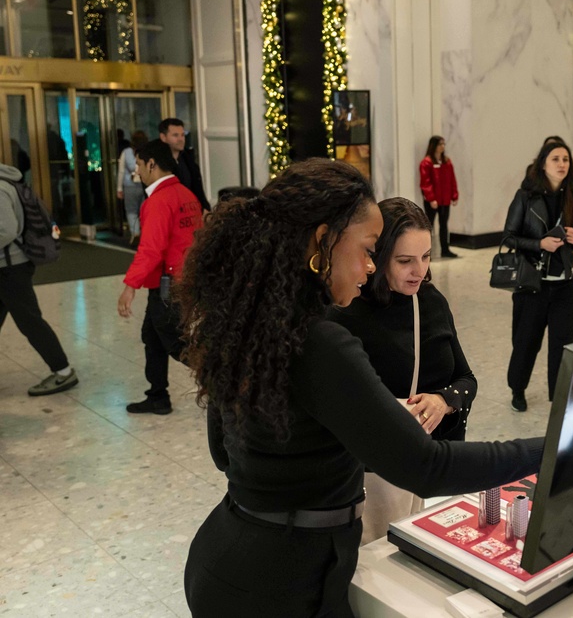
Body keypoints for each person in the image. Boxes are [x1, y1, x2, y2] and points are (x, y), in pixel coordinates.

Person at [178, 159, 541, 617]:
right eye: (369, 249)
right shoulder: (320, 342)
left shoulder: (259, 323)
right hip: (278, 581)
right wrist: (551, 448)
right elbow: (426, 465)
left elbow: (222, 453)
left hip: (233, 551)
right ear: (322, 240)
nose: (371, 266)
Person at [331, 197, 476, 544]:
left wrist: (443, 401)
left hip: (420, 466)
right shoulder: (346, 311)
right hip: (368, 476)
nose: (420, 271)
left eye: (426, 257)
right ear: (377, 258)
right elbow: (337, 403)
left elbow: (466, 379)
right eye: (405, 260)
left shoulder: (430, 302)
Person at [117, 140, 203, 415]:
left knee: (177, 343)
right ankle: (157, 396)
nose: (137, 172)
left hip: (169, 285)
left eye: (140, 165)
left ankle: (231, 383)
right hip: (180, 281)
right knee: (152, 337)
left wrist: (130, 286)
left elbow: (150, 249)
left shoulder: (159, 201)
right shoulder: (186, 195)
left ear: (151, 164)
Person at [502, 140, 573, 412]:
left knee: (563, 347)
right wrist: (539, 244)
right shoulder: (526, 196)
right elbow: (509, 237)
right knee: (526, 343)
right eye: (555, 159)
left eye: (565, 159)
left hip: (565, 285)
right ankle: (518, 388)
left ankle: (559, 397)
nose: (562, 164)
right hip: (532, 285)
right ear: (542, 163)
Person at [0, 163, 78, 396]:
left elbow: (7, 230)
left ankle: (63, 372)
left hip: (11, 268)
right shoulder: (9, 182)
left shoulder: (1, 188)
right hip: (7, 266)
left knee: (30, 322)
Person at [418, 135, 459, 258]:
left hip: (445, 200)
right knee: (429, 226)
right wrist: (431, 198)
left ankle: (445, 249)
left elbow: (452, 179)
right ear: (434, 146)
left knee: (444, 225)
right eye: (440, 144)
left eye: (443, 144)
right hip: (433, 201)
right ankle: (426, 253)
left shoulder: (447, 161)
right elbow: (425, 182)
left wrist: (454, 195)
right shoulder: (426, 163)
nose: (442, 146)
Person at [159, 118, 211, 212]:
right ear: (163, 137)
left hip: (192, 213)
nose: (181, 139)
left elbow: (197, 189)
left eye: (183, 135)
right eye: (175, 135)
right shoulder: (158, 164)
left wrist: (205, 208)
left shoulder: (188, 160)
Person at [117, 130, 148, 244]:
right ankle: (145, 233)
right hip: (144, 185)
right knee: (144, 211)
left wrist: (119, 189)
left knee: (131, 211)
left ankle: (135, 233)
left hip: (129, 185)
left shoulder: (126, 152)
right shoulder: (148, 152)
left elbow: (121, 171)